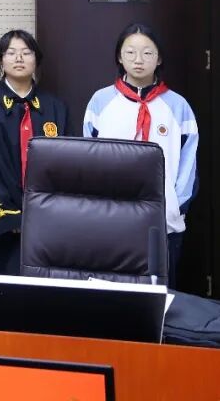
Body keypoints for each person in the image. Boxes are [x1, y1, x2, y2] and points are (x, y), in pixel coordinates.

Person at [84, 22, 198, 286]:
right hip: (112, 218)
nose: (138, 59)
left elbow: (189, 163)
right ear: (119, 57)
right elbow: (90, 160)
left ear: (159, 59)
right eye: (130, 52)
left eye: (147, 53)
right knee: (115, 292)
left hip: (164, 220)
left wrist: (176, 207)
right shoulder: (101, 102)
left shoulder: (177, 105)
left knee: (160, 292)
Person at [0, 30, 68, 275]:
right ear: (1, 60)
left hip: (48, 222)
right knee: (3, 288)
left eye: (26, 52)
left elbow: (67, 164)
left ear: (36, 60)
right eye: (11, 53)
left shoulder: (56, 107)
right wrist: (11, 217)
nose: (19, 58)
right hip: (3, 224)